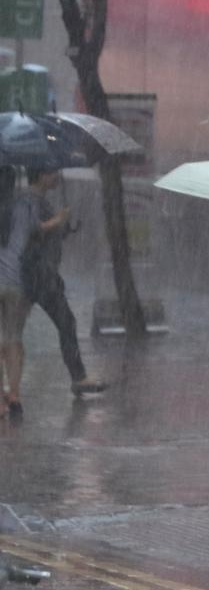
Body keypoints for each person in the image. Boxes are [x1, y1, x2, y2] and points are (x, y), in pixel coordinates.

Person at [20, 166, 107, 398]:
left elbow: (46, 234)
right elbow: (31, 232)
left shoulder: (39, 200)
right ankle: (78, 377)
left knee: (17, 331)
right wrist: (58, 221)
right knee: (65, 323)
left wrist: (64, 227)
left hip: (41, 274)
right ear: (40, 175)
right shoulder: (30, 201)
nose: (57, 176)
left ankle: (78, 377)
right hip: (39, 275)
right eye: (52, 171)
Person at [0, 167, 39, 416]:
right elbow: (35, 235)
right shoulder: (24, 204)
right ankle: (14, 395)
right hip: (15, 282)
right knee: (13, 338)